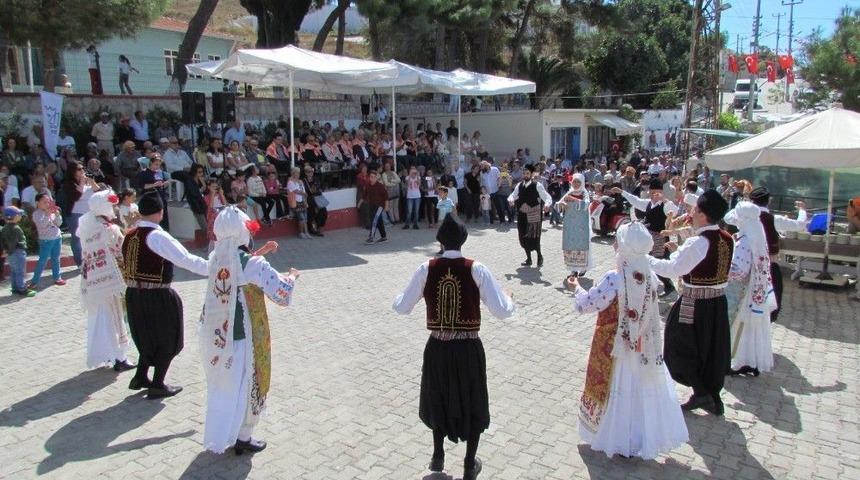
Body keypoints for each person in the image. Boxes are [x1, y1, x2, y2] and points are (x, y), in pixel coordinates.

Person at [392, 215, 515, 480]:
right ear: (464, 240)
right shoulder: (477, 268)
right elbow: (502, 311)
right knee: (473, 400)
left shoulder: (426, 268)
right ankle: (469, 464)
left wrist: (396, 298)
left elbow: (402, 307)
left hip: (437, 346)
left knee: (437, 397)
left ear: (439, 240)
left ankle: (438, 456)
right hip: (468, 347)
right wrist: (509, 299)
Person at [568, 222, 688, 459]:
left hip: (615, 348)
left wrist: (576, 288)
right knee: (637, 392)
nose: (614, 244)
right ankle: (635, 439)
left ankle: (616, 438)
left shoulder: (615, 278)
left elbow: (586, 304)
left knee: (618, 391)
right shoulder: (650, 276)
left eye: (617, 241)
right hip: (642, 348)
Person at [200, 206, 299, 454]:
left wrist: (259, 254)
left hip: (218, 337)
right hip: (246, 337)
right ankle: (243, 436)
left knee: (225, 387)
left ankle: (225, 432)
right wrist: (292, 278)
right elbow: (281, 293)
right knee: (247, 384)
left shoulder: (215, 259)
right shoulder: (253, 263)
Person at [649, 191, 733, 415]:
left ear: (704, 215)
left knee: (680, 345)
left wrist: (643, 258)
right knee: (711, 349)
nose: (691, 213)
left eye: (695, 210)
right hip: (717, 303)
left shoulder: (698, 242)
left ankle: (702, 393)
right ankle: (711, 395)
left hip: (694, 302)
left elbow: (672, 269)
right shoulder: (727, 237)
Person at [121, 191, 209, 399]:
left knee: (145, 335)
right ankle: (158, 383)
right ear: (161, 212)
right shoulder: (157, 236)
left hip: (133, 293)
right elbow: (186, 259)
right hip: (156, 295)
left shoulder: (130, 234)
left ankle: (141, 376)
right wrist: (216, 269)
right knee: (168, 338)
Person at [77, 190, 136, 372]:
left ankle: (104, 354)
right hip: (111, 282)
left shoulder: (86, 226)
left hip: (94, 281)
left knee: (99, 318)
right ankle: (119, 357)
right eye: (110, 205)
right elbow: (123, 247)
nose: (113, 208)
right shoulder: (109, 229)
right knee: (115, 318)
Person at [723, 202, 777, 378]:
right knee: (750, 328)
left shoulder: (746, 241)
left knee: (741, 326)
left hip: (743, 293)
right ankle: (750, 360)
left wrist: (723, 269)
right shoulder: (755, 237)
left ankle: (742, 360)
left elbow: (738, 271)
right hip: (753, 291)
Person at [748, 187, 808, 323]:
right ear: (768, 201)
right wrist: (802, 210)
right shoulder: (774, 219)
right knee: (768, 307)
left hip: (749, 267)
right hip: (769, 267)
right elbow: (799, 225)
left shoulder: (743, 219)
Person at [615, 179, 679, 297]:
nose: (654, 194)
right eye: (652, 191)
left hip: (661, 238)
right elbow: (635, 200)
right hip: (648, 238)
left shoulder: (665, 205)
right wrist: (622, 192)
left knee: (659, 263)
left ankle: (669, 285)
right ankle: (648, 284)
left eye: (657, 192)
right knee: (646, 261)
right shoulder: (648, 203)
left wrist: (664, 200)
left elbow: (675, 212)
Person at [507, 164, 552, 267]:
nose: (525, 175)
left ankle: (539, 256)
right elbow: (513, 195)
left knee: (534, 237)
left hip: (534, 216)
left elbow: (547, 197)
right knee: (523, 236)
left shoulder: (537, 185)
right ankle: (529, 259)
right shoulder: (519, 185)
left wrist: (547, 204)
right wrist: (510, 200)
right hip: (522, 214)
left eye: (527, 173)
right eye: (524, 173)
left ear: (531, 174)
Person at [62, 161, 101, 267]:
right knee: (77, 238)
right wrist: (82, 182)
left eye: (83, 168)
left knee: (91, 237)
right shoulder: (68, 184)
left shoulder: (87, 181)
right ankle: (80, 262)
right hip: (75, 215)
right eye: (79, 169)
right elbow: (76, 196)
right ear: (73, 171)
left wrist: (91, 181)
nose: (82, 171)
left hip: (89, 214)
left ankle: (91, 259)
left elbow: (98, 192)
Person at [29, 193, 65, 288]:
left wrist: (57, 215)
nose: (47, 204)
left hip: (57, 238)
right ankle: (34, 281)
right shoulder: (36, 214)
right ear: (37, 203)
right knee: (42, 261)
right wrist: (47, 215)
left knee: (56, 259)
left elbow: (59, 223)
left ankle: (57, 277)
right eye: (44, 202)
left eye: (48, 202)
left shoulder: (52, 212)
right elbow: (42, 225)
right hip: (46, 240)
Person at [561, 173, 592, 279]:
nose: (576, 184)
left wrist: (574, 200)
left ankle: (582, 268)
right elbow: (558, 203)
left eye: (578, 182)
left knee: (581, 246)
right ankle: (573, 270)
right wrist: (562, 204)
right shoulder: (569, 192)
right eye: (574, 181)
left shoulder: (584, 193)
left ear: (582, 182)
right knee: (570, 246)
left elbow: (587, 204)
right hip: (570, 225)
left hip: (581, 226)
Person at [2, 206, 36, 297]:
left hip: (11, 254)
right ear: (14, 216)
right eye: (19, 214)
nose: (20, 216)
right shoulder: (16, 228)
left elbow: (3, 241)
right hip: (17, 252)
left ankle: (15, 288)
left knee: (13, 271)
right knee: (20, 271)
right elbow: (13, 242)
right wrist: (10, 250)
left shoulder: (4, 228)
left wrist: (5, 250)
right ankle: (22, 289)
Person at [358, 171, 389, 244]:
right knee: (379, 221)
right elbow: (364, 196)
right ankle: (384, 237)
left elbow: (386, 197)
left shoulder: (380, 186)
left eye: (373, 177)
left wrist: (387, 206)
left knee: (374, 220)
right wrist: (359, 203)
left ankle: (371, 238)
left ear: (376, 178)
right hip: (371, 205)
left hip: (380, 206)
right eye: (371, 177)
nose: (372, 178)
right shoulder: (368, 185)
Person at [287, 167, 311, 239]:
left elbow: (303, 190)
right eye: (296, 173)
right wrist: (304, 193)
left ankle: (306, 232)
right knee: (301, 218)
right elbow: (296, 191)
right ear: (293, 173)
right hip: (296, 201)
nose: (298, 174)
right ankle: (301, 233)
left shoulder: (300, 181)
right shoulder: (290, 182)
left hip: (302, 201)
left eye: (299, 173)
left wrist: (305, 199)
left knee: (305, 218)